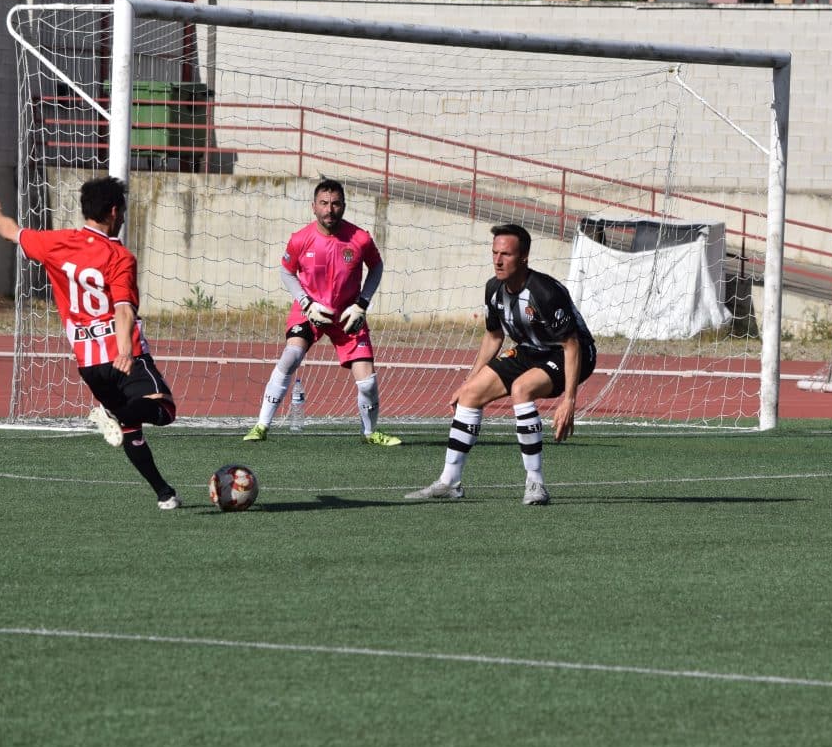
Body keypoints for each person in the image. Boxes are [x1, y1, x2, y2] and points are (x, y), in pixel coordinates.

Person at [0, 177, 181, 510]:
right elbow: (123, 308)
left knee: (132, 430)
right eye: (124, 210)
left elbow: (10, 232)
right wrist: (126, 350)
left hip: (88, 364)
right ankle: (114, 413)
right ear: (114, 211)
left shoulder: (56, 242)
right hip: (121, 357)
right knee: (164, 409)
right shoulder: (119, 257)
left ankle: (164, 493)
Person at [406, 223, 596, 506]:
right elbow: (494, 336)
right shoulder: (493, 289)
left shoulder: (545, 292)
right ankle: (449, 482)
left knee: (521, 389)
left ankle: (536, 484)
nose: (497, 260)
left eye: (505, 254)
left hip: (570, 354)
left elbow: (572, 345)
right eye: (495, 253)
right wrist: (469, 380)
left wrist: (569, 400)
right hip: (529, 350)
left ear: (524, 257)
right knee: (470, 396)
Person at [243, 178, 401, 446]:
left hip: (347, 315)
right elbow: (286, 271)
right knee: (291, 356)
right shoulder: (300, 240)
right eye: (324, 204)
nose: (330, 210)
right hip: (309, 310)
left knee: (368, 383)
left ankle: (370, 433)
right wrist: (305, 303)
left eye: (336, 204)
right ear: (313, 207)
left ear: (344, 206)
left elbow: (376, 267)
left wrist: (362, 304)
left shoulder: (360, 239)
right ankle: (261, 425)